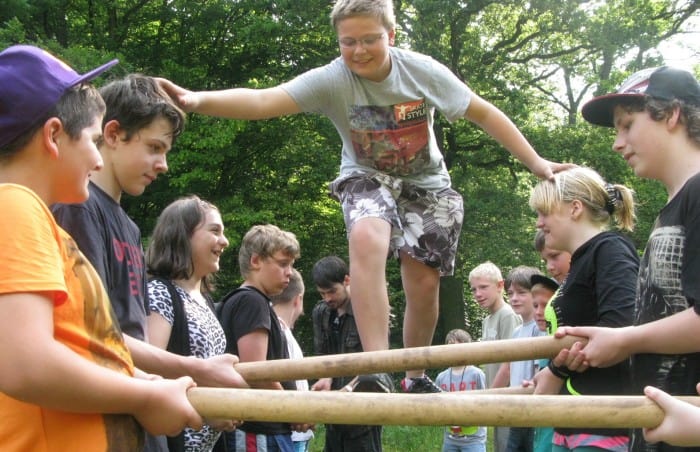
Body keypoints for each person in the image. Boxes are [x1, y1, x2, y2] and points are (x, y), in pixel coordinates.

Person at [157, 0, 571, 394]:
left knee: (423, 283)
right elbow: (265, 98)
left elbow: (482, 111)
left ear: (390, 34)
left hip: (427, 185)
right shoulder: (334, 78)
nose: (359, 51)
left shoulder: (420, 72)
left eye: (370, 39)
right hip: (366, 175)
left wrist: (536, 163)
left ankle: (414, 373)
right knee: (367, 236)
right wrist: (197, 100)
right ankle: (376, 367)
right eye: (348, 41)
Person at [0, 44, 201, 450]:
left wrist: (149, 382)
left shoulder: (39, 221)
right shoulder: (13, 205)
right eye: (94, 139)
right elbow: (25, 366)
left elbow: (84, 347)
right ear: (54, 135)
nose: (97, 159)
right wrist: (144, 396)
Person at [51, 73, 246, 451]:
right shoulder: (79, 208)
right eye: (155, 147)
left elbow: (128, 334)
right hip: (100, 419)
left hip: (135, 413)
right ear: (112, 134)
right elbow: (93, 337)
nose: (164, 164)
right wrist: (196, 369)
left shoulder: (125, 224)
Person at [553, 66, 700, 451]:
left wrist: (624, 340)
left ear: (672, 115)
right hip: (660, 427)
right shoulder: (674, 207)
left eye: (627, 125)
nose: (617, 143)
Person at [529, 166, 640, 451]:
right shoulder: (580, 261)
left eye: (544, 212)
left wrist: (556, 370)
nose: (539, 223)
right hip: (572, 416)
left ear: (575, 208)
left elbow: (620, 326)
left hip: (603, 418)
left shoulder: (610, 249)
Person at [145, 196, 239, 451]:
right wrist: (207, 411)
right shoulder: (160, 293)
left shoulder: (206, 301)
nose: (225, 241)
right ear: (182, 236)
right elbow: (149, 374)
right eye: (214, 231)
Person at [218, 224, 306, 452]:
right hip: (257, 430)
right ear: (256, 261)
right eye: (283, 264)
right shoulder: (252, 302)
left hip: (264, 428)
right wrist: (293, 409)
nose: (289, 272)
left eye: (291, 265)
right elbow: (256, 372)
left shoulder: (246, 301)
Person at [310, 255, 387, 452]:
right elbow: (323, 355)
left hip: (364, 407)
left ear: (347, 280)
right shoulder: (321, 312)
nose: (327, 298)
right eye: (322, 294)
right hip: (334, 413)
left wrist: (348, 390)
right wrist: (326, 378)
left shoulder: (370, 310)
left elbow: (378, 363)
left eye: (331, 291)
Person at [468, 261, 522, 452]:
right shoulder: (487, 320)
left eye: (483, 287)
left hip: (509, 398)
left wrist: (488, 396)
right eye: (474, 289)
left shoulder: (508, 315)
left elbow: (510, 363)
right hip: (497, 397)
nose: (478, 294)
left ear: (500, 286)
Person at [494, 266, 545, 452]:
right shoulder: (517, 332)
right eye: (510, 293)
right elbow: (506, 369)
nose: (514, 298)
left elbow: (541, 371)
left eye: (521, 293)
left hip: (534, 409)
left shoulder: (539, 329)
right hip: (518, 410)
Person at [270, 268, 315, 452]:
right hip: (287, 434)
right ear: (298, 299)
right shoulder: (279, 332)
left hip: (292, 432)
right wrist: (297, 414)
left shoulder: (279, 331)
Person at [434, 329, 487, 452]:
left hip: (474, 439)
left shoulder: (477, 374)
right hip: (450, 439)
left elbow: (485, 402)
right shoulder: (441, 377)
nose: (454, 351)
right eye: (450, 347)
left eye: (458, 347)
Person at [529, 274, 559, 452]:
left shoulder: (561, 344)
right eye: (535, 306)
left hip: (555, 437)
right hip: (542, 434)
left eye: (546, 305)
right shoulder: (546, 342)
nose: (539, 311)